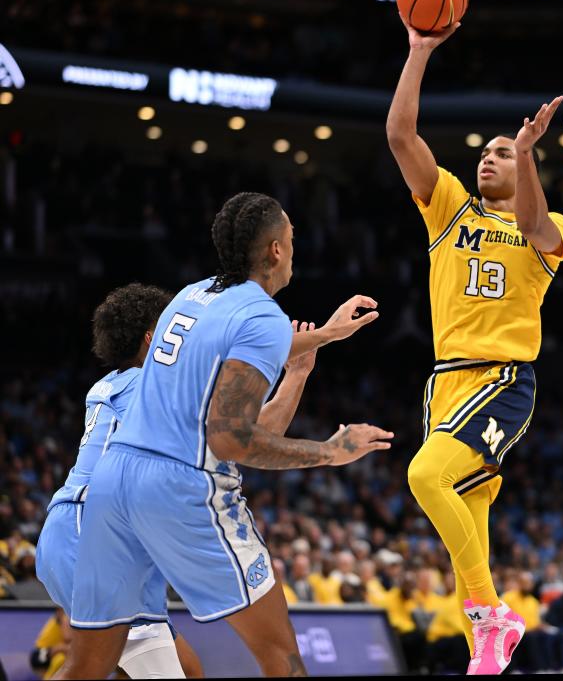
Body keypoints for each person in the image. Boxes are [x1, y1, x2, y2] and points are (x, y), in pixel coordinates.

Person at [60, 191, 394, 678]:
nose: (295, 250)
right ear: (276, 250)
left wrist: (324, 334)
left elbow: (234, 346)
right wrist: (329, 451)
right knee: (281, 657)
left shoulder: (190, 295)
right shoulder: (261, 316)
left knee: (86, 668)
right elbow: (231, 441)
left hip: (113, 483)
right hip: (179, 487)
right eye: (292, 240)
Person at [386, 12, 563, 676]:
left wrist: (525, 154)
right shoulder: (450, 208)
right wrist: (418, 51)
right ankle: (486, 646)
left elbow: (533, 222)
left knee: (423, 474)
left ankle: (491, 611)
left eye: (501, 151)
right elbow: (400, 133)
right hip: (446, 379)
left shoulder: (552, 228)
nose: (488, 157)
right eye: (486, 152)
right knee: (462, 508)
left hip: (502, 377)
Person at [35, 283, 203, 678]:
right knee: (97, 667)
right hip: (90, 529)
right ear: (152, 337)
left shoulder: (111, 385)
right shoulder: (146, 384)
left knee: (176, 668)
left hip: (78, 531)